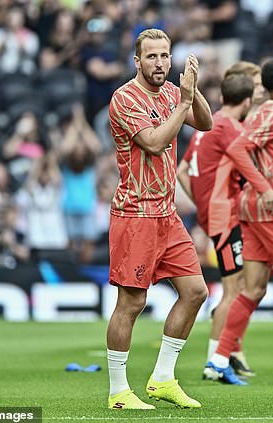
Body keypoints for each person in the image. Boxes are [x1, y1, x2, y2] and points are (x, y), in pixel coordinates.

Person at [105, 28, 212, 410]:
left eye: (165, 56)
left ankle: (163, 378)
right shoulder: (124, 98)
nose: (160, 63)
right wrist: (182, 105)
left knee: (196, 291)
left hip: (166, 214)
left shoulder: (171, 92)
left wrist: (192, 90)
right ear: (137, 61)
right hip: (135, 214)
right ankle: (118, 391)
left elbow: (206, 123)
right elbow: (153, 142)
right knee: (132, 302)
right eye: (151, 57)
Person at [203, 58, 273, 385]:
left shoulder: (271, 114)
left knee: (253, 288)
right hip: (271, 207)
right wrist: (266, 188)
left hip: (251, 209)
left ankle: (219, 359)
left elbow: (262, 154)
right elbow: (238, 149)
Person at [176, 73, 257, 378]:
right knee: (234, 289)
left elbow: (183, 170)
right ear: (247, 101)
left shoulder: (208, 124)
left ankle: (229, 351)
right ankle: (215, 362)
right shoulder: (231, 128)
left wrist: (202, 202)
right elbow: (253, 167)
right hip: (226, 215)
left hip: (215, 212)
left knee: (238, 286)